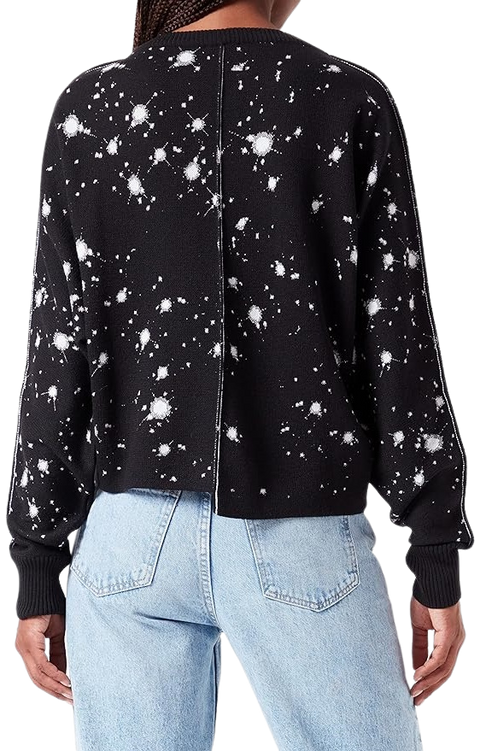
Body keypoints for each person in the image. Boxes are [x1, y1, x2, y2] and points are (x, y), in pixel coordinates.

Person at [5, 1, 475, 749]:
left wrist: (36, 562)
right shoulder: (345, 96)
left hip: (129, 538)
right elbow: (400, 347)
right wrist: (435, 551)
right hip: (301, 530)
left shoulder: (87, 106)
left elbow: (54, 353)